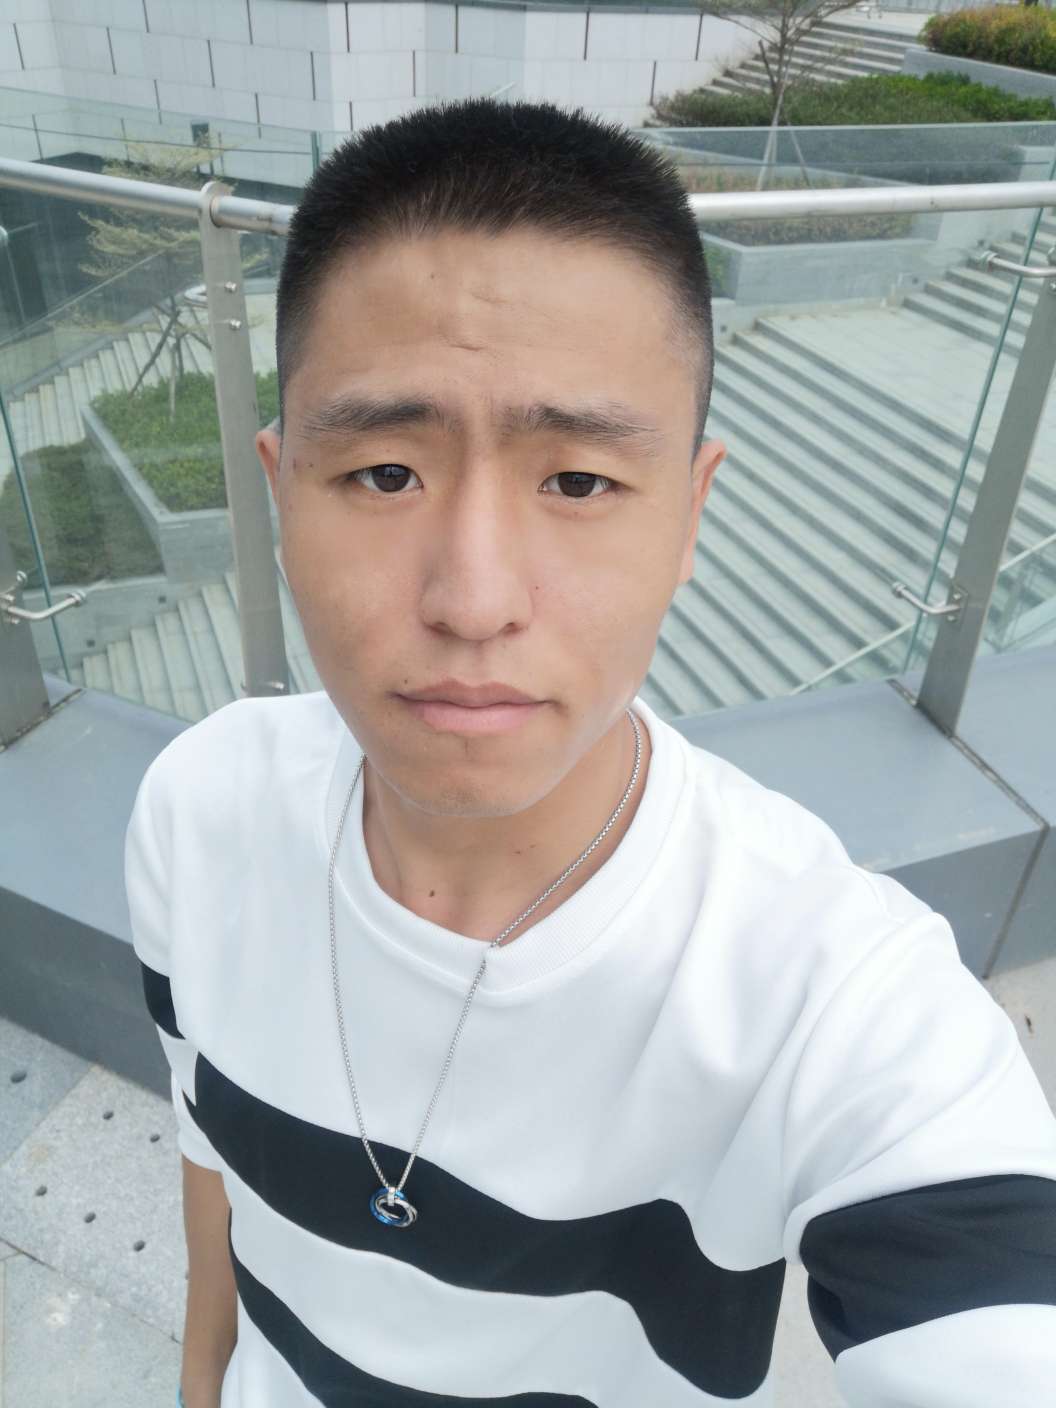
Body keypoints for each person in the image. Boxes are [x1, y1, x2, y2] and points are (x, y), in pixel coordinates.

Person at [125, 96, 1056, 1408]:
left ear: (690, 515)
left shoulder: (829, 996)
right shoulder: (197, 810)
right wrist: (200, 1380)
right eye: (386, 474)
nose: (473, 600)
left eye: (578, 482)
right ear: (281, 497)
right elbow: (206, 1151)